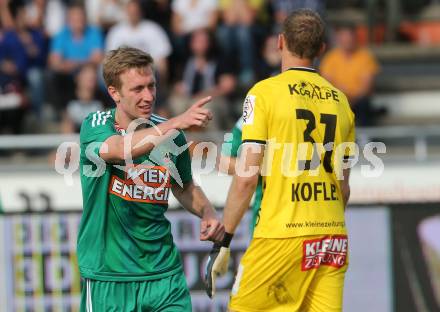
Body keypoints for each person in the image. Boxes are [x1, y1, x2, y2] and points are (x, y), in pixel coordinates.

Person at [205, 9, 355, 311]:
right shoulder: (341, 102)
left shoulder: (264, 94)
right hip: (332, 237)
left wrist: (223, 241)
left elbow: (247, 176)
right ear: (322, 49)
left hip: (282, 234)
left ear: (280, 42)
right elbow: (344, 187)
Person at [77, 46, 224, 311]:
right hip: (109, 277)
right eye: (137, 89)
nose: (148, 96)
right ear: (114, 93)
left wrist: (209, 214)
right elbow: (118, 149)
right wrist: (174, 124)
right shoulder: (95, 124)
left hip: (164, 276)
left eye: (151, 86)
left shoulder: (170, 134)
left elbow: (184, 186)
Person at [320, 23, 381, 126]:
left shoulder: (365, 57)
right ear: (339, 39)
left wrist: (350, 97)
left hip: (358, 102)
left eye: (349, 37)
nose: (347, 41)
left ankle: (364, 139)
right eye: (344, 37)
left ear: (355, 38)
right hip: (337, 101)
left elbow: (366, 86)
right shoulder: (330, 58)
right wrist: (344, 97)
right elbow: (327, 85)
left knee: (363, 105)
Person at [218, 118, 262, 236]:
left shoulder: (258, 108)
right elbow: (224, 162)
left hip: (270, 227)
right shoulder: (252, 114)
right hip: (267, 220)